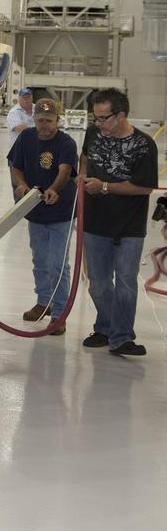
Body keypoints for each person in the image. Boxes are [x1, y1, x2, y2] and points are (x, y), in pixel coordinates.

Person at [80, 88, 158, 357]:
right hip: (95, 222)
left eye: (104, 118)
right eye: (96, 118)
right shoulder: (93, 133)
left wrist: (104, 186)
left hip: (129, 226)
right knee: (99, 283)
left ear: (121, 115)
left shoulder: (144, 145)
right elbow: (85, 158)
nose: (99, 123)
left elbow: (145, 187)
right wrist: (82, 176)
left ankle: (122, 337)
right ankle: (105, 328)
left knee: (125, 281)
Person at [6, 98, 77, 335]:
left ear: (58, 120)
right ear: (34, 120)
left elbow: (65, 171)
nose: (44, 125)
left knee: (58, 264)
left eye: (49, 120)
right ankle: (44, 302)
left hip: (61, 212)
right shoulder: (26, 138)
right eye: (40, 120)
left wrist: (54, 189)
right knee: (40, 261)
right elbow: (15, 166)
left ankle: (59, 314)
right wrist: (22, 185)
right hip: (36, 211)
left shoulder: (66, 143)